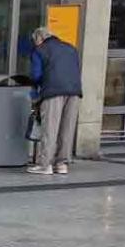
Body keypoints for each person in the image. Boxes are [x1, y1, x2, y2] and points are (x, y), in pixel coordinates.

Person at [28, 26, 82, 176]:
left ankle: (45, 165)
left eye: (35, 41)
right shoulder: (71, 48)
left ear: (39, 39)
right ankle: (62, 164)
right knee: (67, 128)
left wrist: (34, 92)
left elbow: (36, 75)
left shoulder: (39, 50)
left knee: (50, 128)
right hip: (74, 91)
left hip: (53, 91)